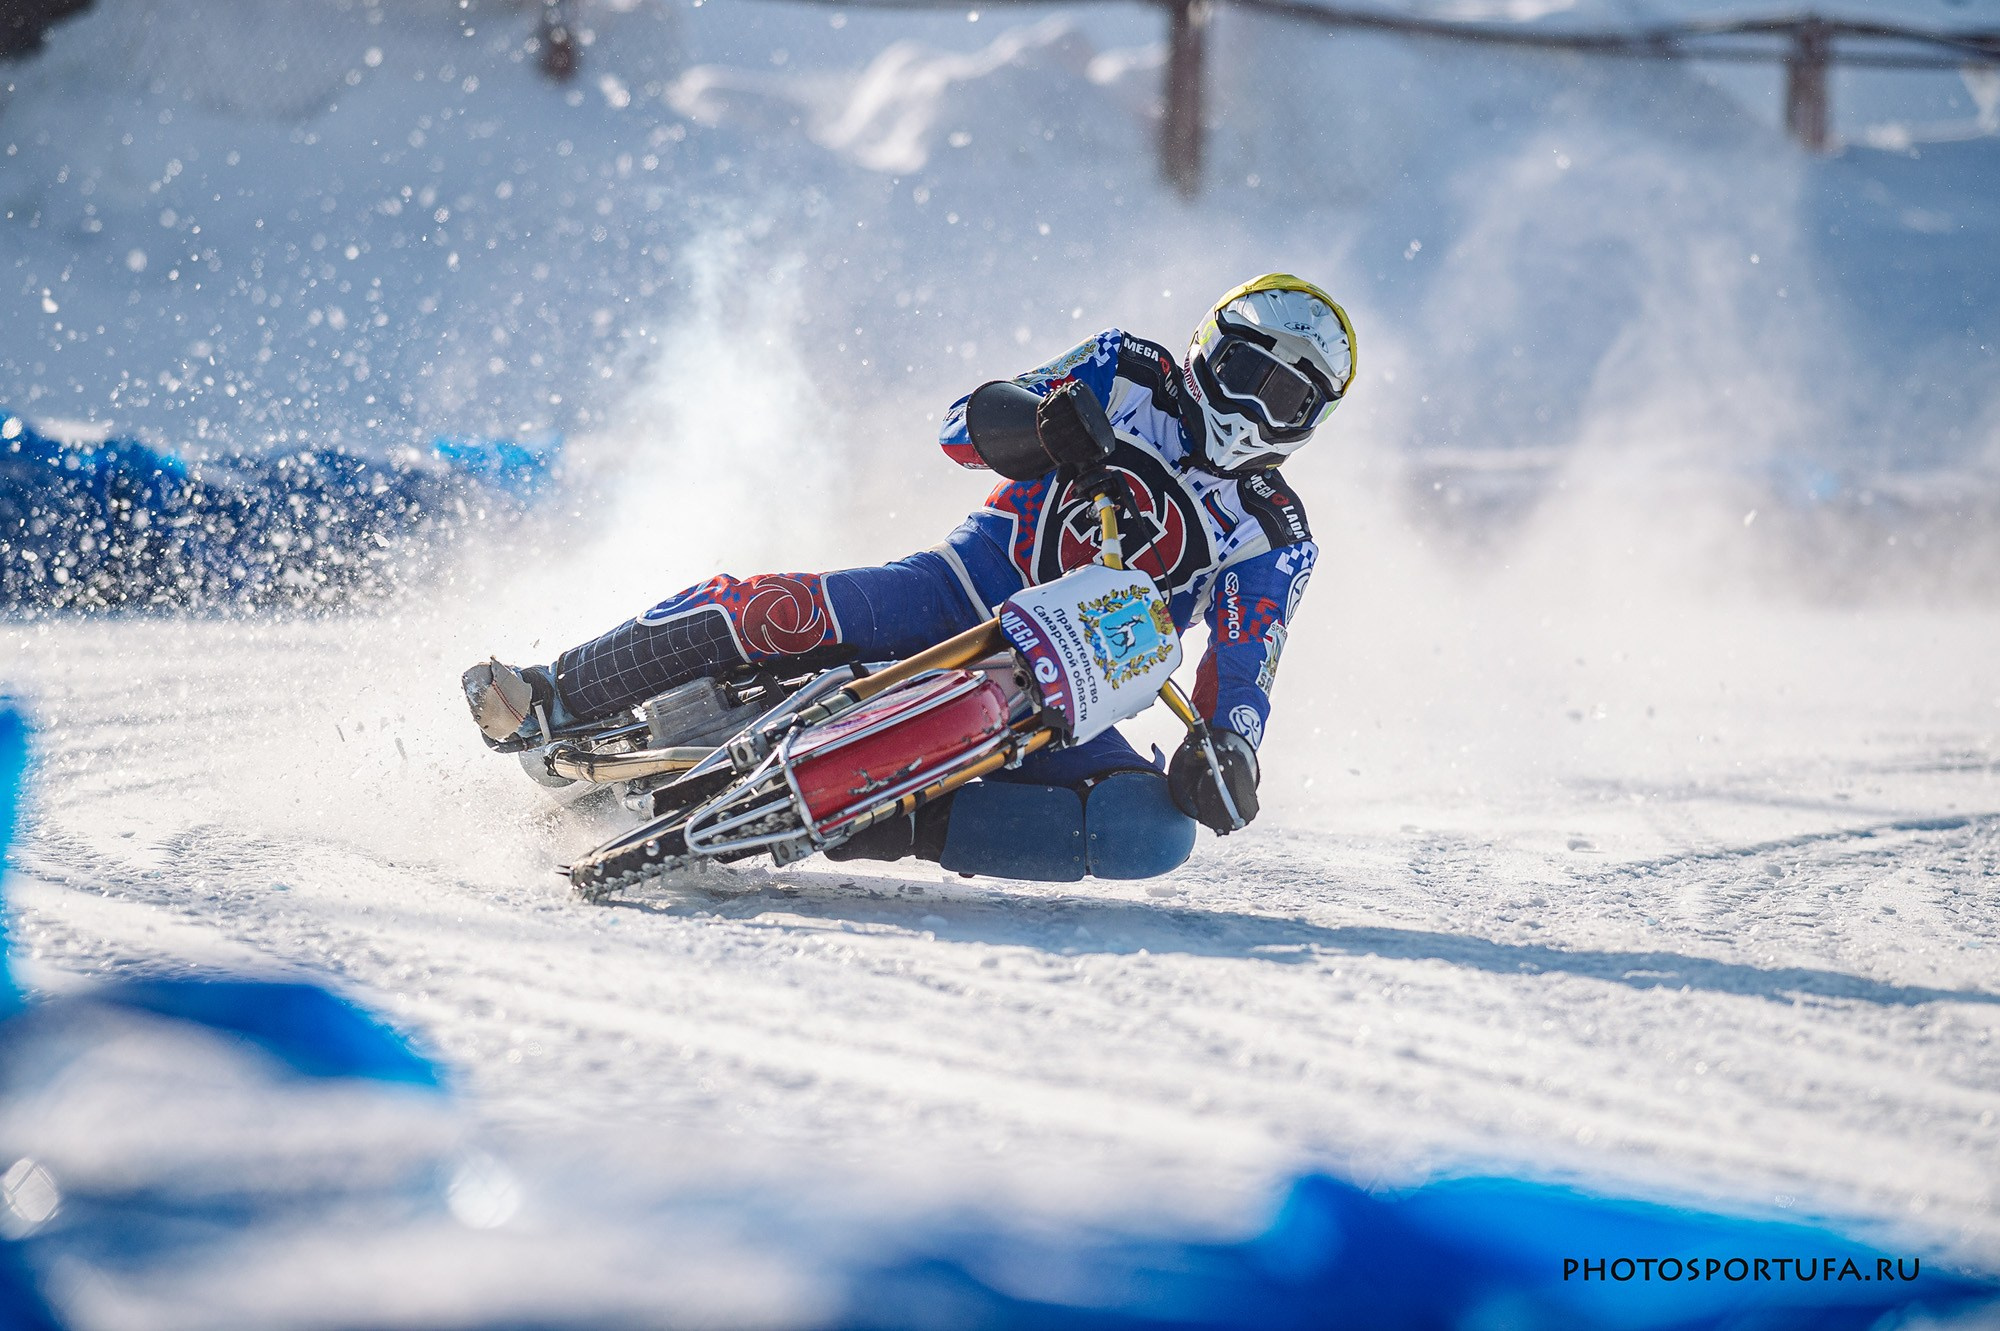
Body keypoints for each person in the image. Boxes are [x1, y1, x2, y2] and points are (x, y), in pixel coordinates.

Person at [464, 273, 1355, 881]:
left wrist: (1226, 752)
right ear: (1209, 350)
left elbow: (1244, 672)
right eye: (1243, 375)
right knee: (777, 608)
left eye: (1283, 400)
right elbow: (962, 426)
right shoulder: (1127, 371)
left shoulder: (1276, 533)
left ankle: (877, 819)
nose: (1248, 412)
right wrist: (1045, 424)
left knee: (1154, 834)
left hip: (1075, 687)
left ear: (1308, 423)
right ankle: (557, 692)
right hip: (960, 586)